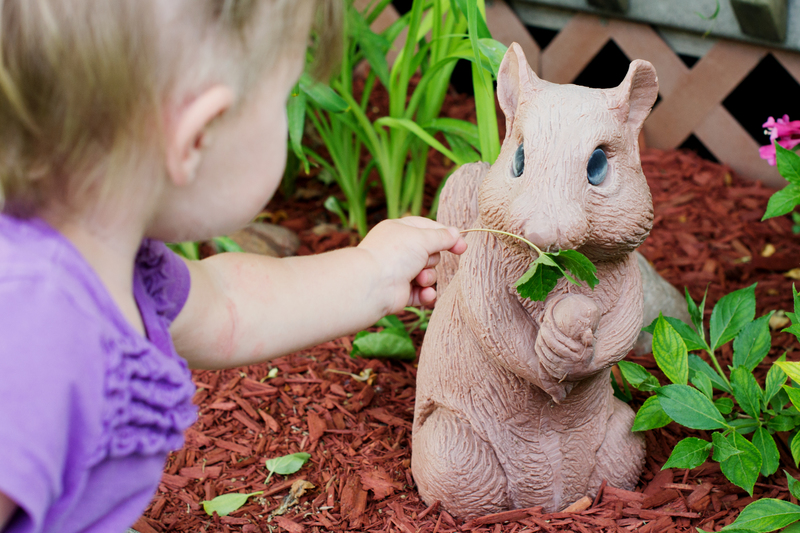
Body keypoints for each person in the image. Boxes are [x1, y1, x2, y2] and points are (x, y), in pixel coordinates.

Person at [0, 1, 467, 531]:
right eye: (283, 99)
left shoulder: (109, 262)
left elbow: (227, 306)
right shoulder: (36, 329)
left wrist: (373, 270)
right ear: (198, 137)